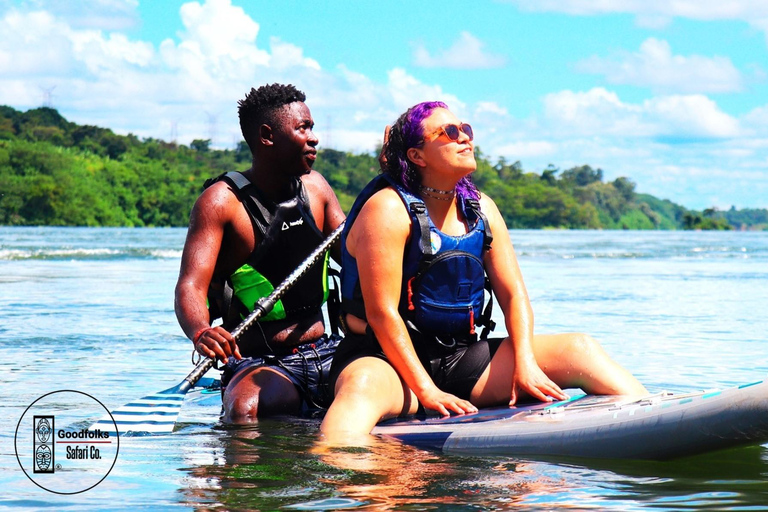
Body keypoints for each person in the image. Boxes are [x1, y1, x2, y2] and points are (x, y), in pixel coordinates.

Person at [320, 101, 646, 439]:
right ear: (417, 156)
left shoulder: (481, 209)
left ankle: (653, 418)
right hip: (385, 361)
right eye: (449, 132)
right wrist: (428, 391)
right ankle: (337, 460)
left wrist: (525, 362)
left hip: (461, 356)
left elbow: (513, 294)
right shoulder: (386, 208)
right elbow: (382, 314)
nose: (464, 138)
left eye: (466, 130)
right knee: (362, 386)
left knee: (579, 349)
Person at [175, 83, 345, 420]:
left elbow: (361, 253)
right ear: (267, 136)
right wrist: (201, 331)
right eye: (302, 128)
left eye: (312, 127)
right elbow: (190, 285)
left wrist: (389, 182)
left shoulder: (318, 188)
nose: (314, 138)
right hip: (262, 363)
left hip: (328, 351)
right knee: (245, 411)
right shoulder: (222, 203)